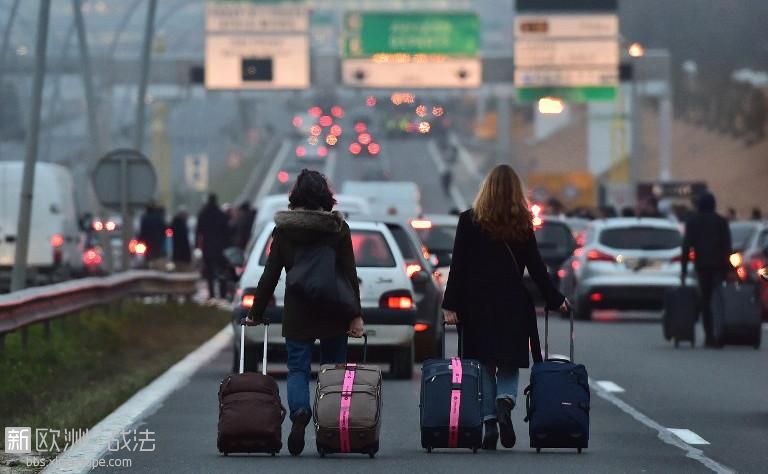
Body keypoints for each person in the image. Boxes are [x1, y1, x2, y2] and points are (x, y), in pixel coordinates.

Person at [441, 164, 568, 451]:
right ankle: (504, 403)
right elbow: (536, 268)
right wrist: (556, 298)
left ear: (486, 190)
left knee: (484, 364)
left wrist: (450, 306)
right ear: (515, 193)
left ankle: (489, 422)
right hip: (511, 302)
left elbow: (458, 266)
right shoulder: (522, 223)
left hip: (476, 305)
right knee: (509, 362)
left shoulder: (468, 220)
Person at [246, 169, 364, 456]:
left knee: (297, 368)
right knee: (333, 372)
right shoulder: (338, 229)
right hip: (334, 310)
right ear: (326, 196)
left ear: (295, 196)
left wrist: (255, 312)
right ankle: (330, 433)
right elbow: (349, 274)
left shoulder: (285, 231)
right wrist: (355, 315)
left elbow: (270, 275)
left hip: (298, 311)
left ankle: (300, 410)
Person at [681, 192, 733, 347]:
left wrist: (683, 270)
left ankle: (709, 336)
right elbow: (727, 247)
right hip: (720, 267)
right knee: (718, 301)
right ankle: (721, 333)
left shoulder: (692, 221)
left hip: (702, 266)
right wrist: (730, 269)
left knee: (706, 301)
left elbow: (686, 247)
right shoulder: (721, 221)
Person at [196, 194, 230, 299]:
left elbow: (198, 232)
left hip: (208, 248)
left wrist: (197, 246)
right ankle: (222, 294)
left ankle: (211, 295)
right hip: (221, 248)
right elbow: (227, 232)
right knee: (222, 272)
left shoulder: (203, 214)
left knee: (209, 273)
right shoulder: (221, 215)